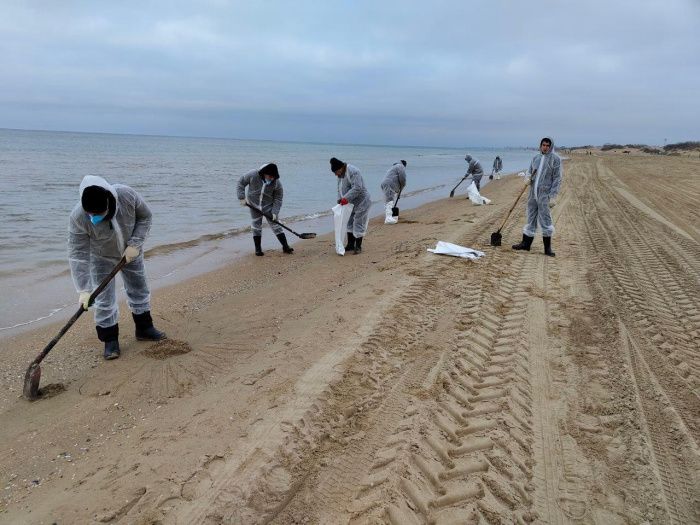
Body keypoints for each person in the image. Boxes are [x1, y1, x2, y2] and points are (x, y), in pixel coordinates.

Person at [69, 175, 166, 360]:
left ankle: (144, 328)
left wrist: (135, 244)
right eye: (92, 215)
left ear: (108, 201)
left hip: (131, 251)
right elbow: (78, 254)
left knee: (139, 288)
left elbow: (145, 217)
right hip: (101, 257)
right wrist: (83, 290)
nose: (94, 218)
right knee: (104, 300)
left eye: (99, 214)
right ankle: (110, 341)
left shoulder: (126, 195)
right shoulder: (78, 217)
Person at [512, 137, 562, 257]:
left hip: (545, 194)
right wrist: (527, 178)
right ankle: (526, 244)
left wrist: (553, 196)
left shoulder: (555, 159)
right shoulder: (536, 158)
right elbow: (530, 171)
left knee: (545, 218)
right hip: (532, 193)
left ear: (551, 147)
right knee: (531, 216)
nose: (545, 147)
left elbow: (557, 179)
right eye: (543, 145)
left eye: (547, 145)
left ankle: (547, 248)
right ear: (540, 146)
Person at [237, 163, 293, 256]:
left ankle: (285, 246)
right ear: (264, 173)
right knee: (256, 225)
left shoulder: (276, 183)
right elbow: (241, 182)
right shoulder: (253, 174)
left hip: (268, 206)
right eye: (270, 176)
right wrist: (241, 197)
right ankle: (258, 249)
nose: (271, 178)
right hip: (254, 205)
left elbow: (278, 198)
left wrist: (275, 212)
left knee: (276, 225)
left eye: (273, 177)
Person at [330, 157, 372, 254]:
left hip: (362, 201)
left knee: (358, 222)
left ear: (340, 168)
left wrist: (346, 198)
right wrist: (339, 199)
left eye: (336, 172)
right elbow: (339, 189)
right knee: (349, 221)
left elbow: (357, 187)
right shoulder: (340, 176)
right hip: (350, 202)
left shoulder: (353, 171)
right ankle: (350, 244)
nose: (336, 174)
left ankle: (358, 246)